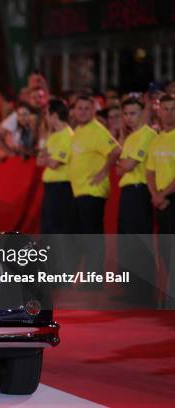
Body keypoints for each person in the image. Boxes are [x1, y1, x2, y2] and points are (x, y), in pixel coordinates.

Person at [116, 97, 157, 305]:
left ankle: (144, 293)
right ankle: (131, 291)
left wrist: (122, 163)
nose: (129, 117)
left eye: (133, 113)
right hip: (127, 191)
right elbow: (118, 167)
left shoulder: (148, 134)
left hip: (139, 191)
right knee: (126, 241)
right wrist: (122, 162)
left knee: (140, 241)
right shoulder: (131, 136)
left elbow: (129, 165)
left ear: (142, 113)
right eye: (126, 114)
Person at [70, 95, 121, 233]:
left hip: (92, 191)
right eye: (79, 108)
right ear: (74, 110)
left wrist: (104, 171)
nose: (82, 111)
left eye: (87, 108)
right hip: (79, 191)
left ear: (93, 111)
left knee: (91, 238)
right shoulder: (78, 130)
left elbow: (116, 150)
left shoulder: (97, 130)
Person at [146, 94, 175, 307]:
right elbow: (149, 172)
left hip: (171, 198)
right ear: (159, 111)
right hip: (160, 201)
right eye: (165, 108)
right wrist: (156, 195)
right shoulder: (156, 139)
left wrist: (162, 195)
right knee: (165, 251)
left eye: (173, 108)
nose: (169, 113)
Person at [38, 98, 74, 234]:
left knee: (58, 229)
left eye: (46, 114)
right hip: (50, 188)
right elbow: (39, 161)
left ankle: (61, 255)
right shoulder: (53, 136)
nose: (45, 118)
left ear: (54, 116)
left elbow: (53, 163)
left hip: (61, 188)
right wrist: (48, 156)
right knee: (47, 227)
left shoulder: (68, 136)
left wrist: (47, 157)